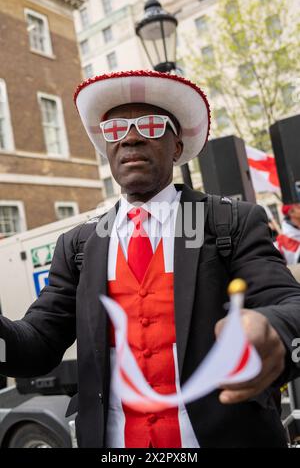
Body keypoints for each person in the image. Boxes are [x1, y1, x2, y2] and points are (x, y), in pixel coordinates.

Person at [1, 70, 300, 448]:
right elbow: (36, 345)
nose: (131, 136)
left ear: (176, 147)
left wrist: (274, 330)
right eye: (115, 129)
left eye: (152, 124)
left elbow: (292, 306)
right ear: (106, 148)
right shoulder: (78, 245)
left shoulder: (229, 222)